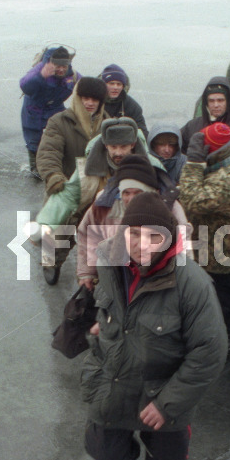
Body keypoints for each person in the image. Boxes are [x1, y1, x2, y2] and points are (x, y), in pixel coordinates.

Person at [81, 191, 227, 460]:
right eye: (134, 233)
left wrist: (167, 404)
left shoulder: (193, 284)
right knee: (104, 447)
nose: (142, 244)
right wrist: (101, 325)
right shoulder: (108, 260)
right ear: (123, 232)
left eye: (154, 236)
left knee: (167, 457)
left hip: (162, 389)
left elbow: (210, 352)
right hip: (115, 379)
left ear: (170, 238)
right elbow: (107, 305)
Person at [38, 117, 156, 285]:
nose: (118, 153)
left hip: (135, 221)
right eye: (113, 147)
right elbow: (69, 196)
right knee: (65, 229)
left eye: (123, 147)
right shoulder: (88, 168)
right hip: (94, 215)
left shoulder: (152, 166)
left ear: (133, 144)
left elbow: (168, 199)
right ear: (105, 145)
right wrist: (45, 223)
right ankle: (53, 259)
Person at [177, 122, 230, 352]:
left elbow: (191, 200)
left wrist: (193, 163)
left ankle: (225, 339)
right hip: (219, 243)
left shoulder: (229, 179)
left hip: (229, 254)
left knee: (226, 301)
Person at [76, 155, 189, 290]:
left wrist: (183, 283)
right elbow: (89, 235)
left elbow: (184, 247)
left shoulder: (171, 208)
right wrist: (87, 272)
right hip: (115, 278)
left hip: (158, 281)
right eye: (126, 193)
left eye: (137, 192)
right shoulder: (104, 204)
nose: (131, 199)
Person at [36, 77, 108, 196]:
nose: (90, 103)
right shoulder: (58, 122)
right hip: (65, 188)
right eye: (85, 98)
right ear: (78, 98)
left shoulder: (108, 124)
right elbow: (49, 152)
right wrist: (54, 177)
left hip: (98, 192)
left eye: (95, 99)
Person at [20, 45, 79, 179]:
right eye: (58, 66)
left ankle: (60, 162)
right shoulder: (39, 70)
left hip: (56, 107)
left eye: (64, 66)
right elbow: (25, 86)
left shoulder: (72, 74)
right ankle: (35, 166)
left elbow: (83, 86)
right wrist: (41, 76)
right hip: (34, 109)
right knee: (34, 137)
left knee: (60, 133)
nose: (61, 69)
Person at [180, 77, 230, 154]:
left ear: (228, 102)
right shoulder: (191, 127)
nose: (216, 105)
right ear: (206, 102)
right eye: (211, 101)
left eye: (220, 100)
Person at [99, 64, 147, 138]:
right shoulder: (94, 102)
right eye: (111, 83)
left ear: (123, 86)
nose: (115, 87)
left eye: (119, 84)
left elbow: (142, 133)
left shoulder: (132, 106)